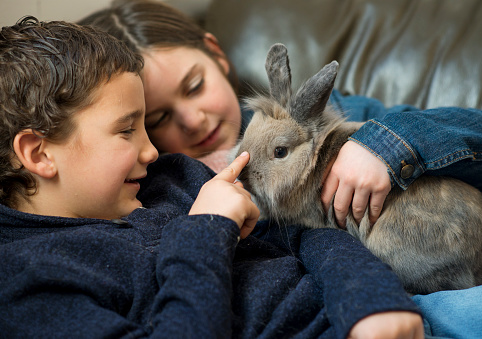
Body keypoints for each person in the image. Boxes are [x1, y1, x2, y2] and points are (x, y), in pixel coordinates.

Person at [78, 0, 482, 337]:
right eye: (158, 119)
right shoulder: (166, 194)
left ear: (216, 53)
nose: (195, 120)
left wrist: (387, 145)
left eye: (195, 86)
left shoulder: (335, 116)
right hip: (385, 307)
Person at [0, 16, 425, 338]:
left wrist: (371, 301)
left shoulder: (168, 178)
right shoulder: (27, 284)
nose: (153, 150)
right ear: (38, 153)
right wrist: (205, 230)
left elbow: (302, 235)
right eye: (130, 128)